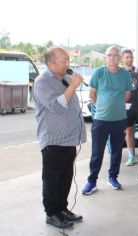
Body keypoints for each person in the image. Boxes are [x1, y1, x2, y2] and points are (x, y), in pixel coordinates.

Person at [33, 47, 86, 229]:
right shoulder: (42, 82)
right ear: (51, 63)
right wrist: (73, 86)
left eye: (68, 60)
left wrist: (71, 83)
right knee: (52, 179)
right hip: (53, 140)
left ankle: (62, 209)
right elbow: (57, 106)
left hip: (68, 139)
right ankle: (52, 213)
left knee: (65, 176)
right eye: (63, 61)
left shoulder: (65, 78)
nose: (67, 64)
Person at [82, 46, 132, 195]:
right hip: (101, 119)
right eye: (109, 55)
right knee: (97, 152)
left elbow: (127, 95)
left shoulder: (125, 75)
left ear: (119, 57)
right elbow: (92, 94)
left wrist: (115, 104)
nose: (112, 58)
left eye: (115, 55)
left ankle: (113, 177)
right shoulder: (99, 72)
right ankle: (92, 181)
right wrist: (104, 106)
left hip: (119, 119)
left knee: (116, 151)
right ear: (105, 57)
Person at [122, 49, 138, 166]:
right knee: (129, 130)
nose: (129, 59)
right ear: (123, 58)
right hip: (126, 107)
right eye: (127, 57)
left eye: (131, 56)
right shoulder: (119, 72)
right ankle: (131, 155)